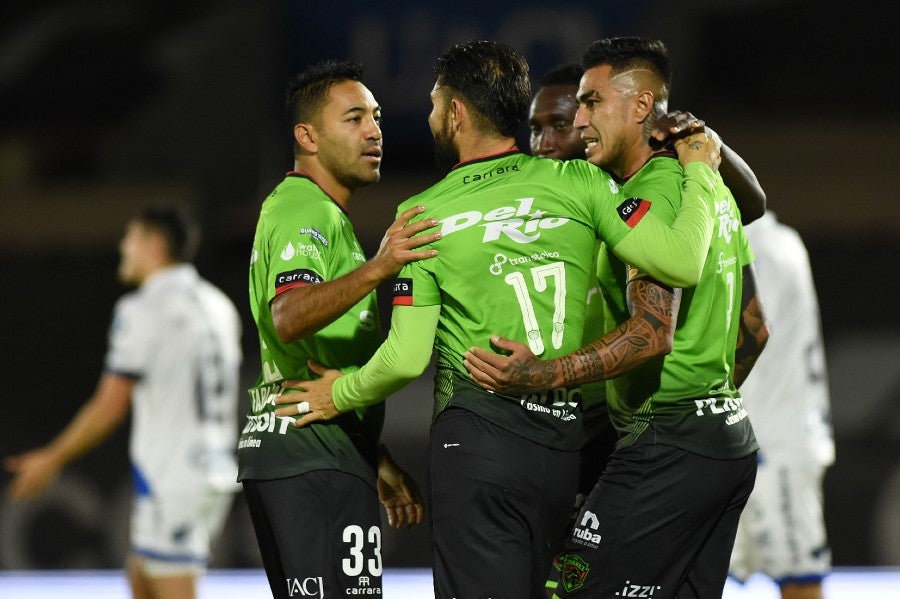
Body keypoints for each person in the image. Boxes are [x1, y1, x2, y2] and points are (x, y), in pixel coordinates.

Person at [274, 40, 723, 599]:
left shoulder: (423, 213)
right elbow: (681, 260)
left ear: (457, 113)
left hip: (478, 440)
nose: (431, 116)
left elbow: (405, 357)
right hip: (561, 444)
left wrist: (337, 394)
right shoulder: (582, 184)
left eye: (436, 104)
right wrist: (702, 172)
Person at [463, 37, 770, 598]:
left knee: (568, 590)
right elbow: (755, 329)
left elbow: (652, 334)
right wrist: (708, 403)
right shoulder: (710, 193)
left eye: (590, 103)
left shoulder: (645, 200)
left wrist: (543, 375)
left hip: (663, 441)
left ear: (640, 106)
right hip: (725, 440)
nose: (578, 123)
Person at [528, 62, 768, 533]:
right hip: (560, 433)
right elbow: (754, 332)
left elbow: (754, 204)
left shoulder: (639, 202)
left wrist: (670, 413)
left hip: (624, 436)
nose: (548, 142)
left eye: (567, 120)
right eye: (535, 129)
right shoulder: (534, 212)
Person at [237, 59, 437, 599]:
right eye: (353, 118)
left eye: (374, 117)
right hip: (310, 453)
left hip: (312, 447)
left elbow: (314, 352)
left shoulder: (317, 212)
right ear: (307, 135)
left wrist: (376, 457)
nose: (374, 130)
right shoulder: (306, 208)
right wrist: (380, 266)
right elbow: (290, 315)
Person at [4, 206, 243, 599]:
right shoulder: (219, 305)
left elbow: (110, 405)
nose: (123, 247)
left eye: (129, 238)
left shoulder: (143, 308)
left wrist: (53, 457)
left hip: (174, 475)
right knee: (141, 577)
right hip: (210, 464)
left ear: (153, 244)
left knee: (171, 586)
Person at [730, 211, 835, 599]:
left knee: (798, 575)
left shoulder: (760, 249)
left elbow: (747, 335)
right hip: (769, 435)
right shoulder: (782, 238)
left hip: (774, 442)